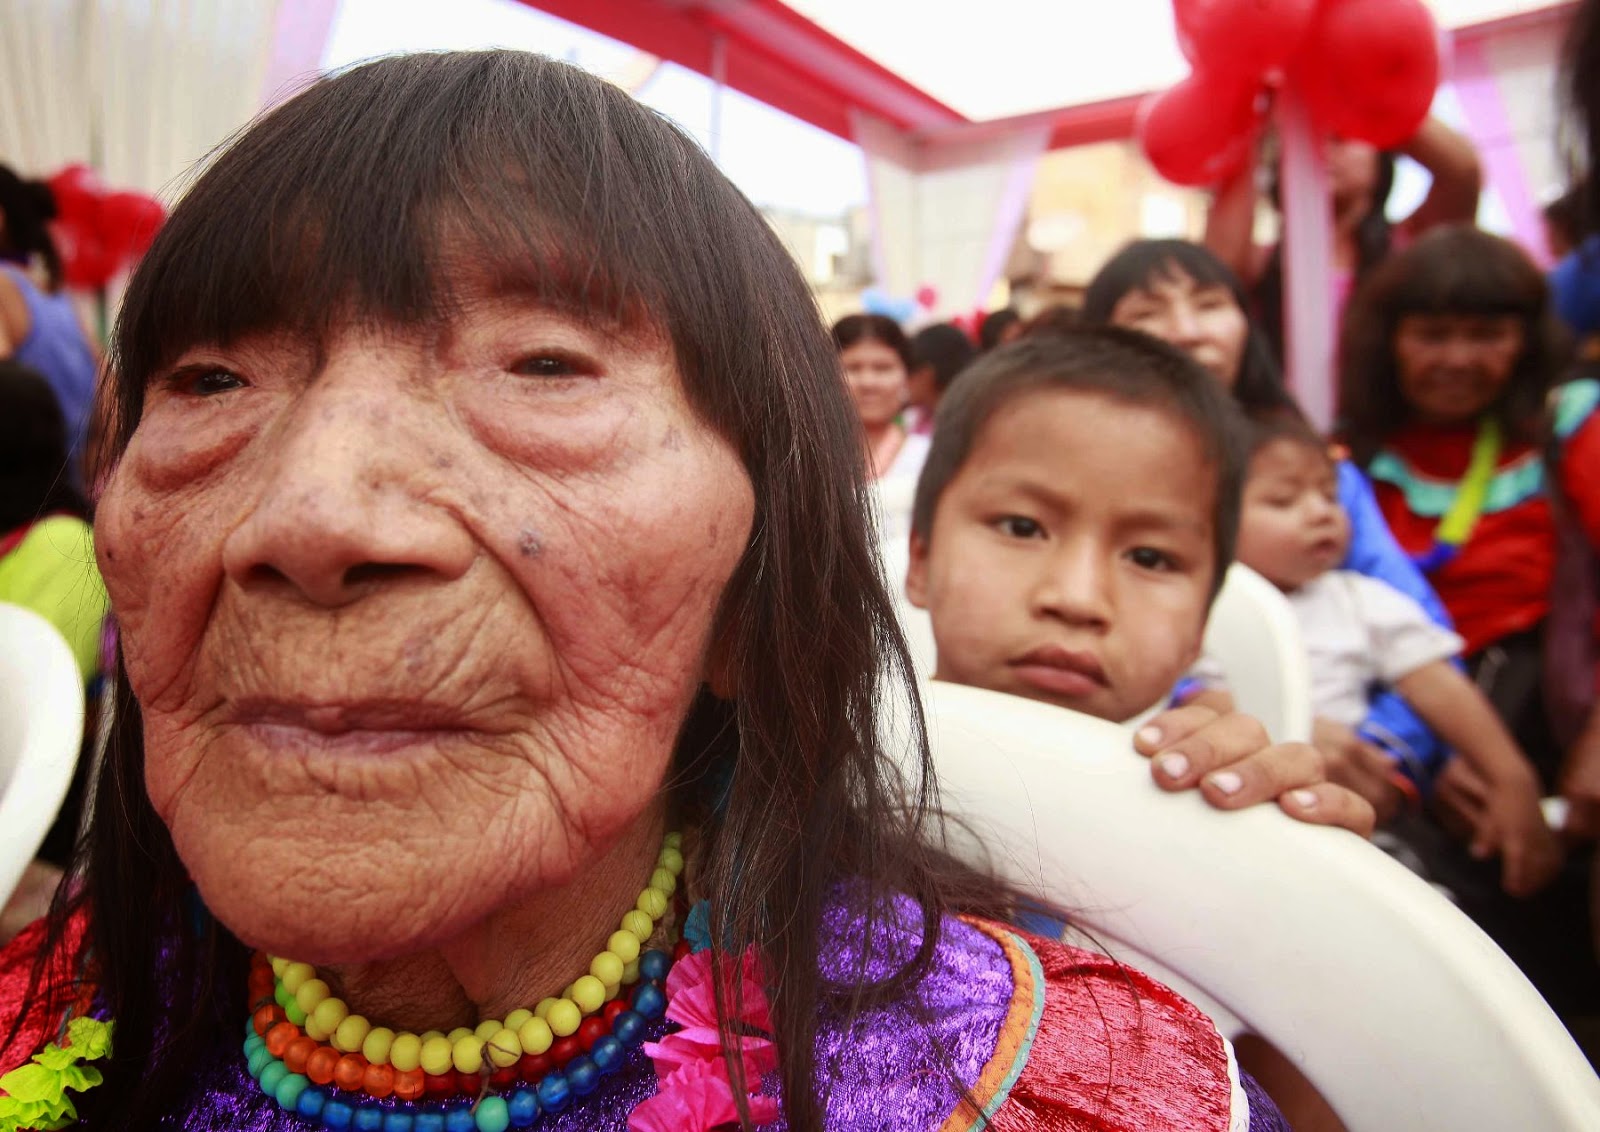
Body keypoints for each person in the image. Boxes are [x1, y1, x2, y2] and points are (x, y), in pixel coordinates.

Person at [0, 52, 1294, 1130]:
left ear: (752, 590)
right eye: (211, 384)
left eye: (545, 367)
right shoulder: (32, 1030)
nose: (313, 517)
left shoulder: (1020, 1086)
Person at [905, 328, 1373, 834]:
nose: (1078, 599)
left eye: (1150, 558)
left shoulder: (1200, 807)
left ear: (1201, 625)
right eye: (1022, 528)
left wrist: (1299, 877)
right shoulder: (833, 773)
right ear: (921, 561)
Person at [1082, 238, 1449, 816]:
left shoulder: (1317, 471)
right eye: (1147, 312)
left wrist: (1378, 751)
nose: (1185, 330)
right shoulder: (1085, 477)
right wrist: (1247, 710)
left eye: (1207, 304)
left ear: (1244, 325)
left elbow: (1417, 629)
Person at [1340, 223, 1600, 1027]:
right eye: (1433, 333)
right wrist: (1438, 747)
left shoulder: (1570, 429)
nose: (1457, 357)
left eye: (1485, 333)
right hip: (1418, 740)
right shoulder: (1351, 462)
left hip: (1561, 739)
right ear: (1391, 343)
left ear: (1526, 341)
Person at [1230, 410, 1559, 896]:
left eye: (1328, 495)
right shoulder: (1199, 604)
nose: (1322, 512)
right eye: (1284, 500)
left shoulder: (1357, 599)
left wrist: (1513, 780)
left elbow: (1435, 681)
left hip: (1342, 816)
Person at [1205, 119, 1482, 365]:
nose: (1322, 151)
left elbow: (1462, 171)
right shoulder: (1258, 263)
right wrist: (1254, 118)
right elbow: (1213, 274)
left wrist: (1370, 91)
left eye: (1342, 137)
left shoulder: (1412, 246)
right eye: (1304, 144)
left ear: (1380, 160)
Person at [0, 165, 98, 477]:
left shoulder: (4, 286)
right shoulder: (56, 291)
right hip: (76, 488)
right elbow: (108, 382)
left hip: (26, 492)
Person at [831, 313, 929, 483]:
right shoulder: (806, 458)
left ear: (907, 377)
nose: (868, 383)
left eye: (882, 368)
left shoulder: (929, 458)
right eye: (853, 368)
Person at [904, 321, 973, 435]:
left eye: (908, 372)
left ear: (926, 374)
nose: (903, 382)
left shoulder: (962, 428)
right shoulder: (914, 417)